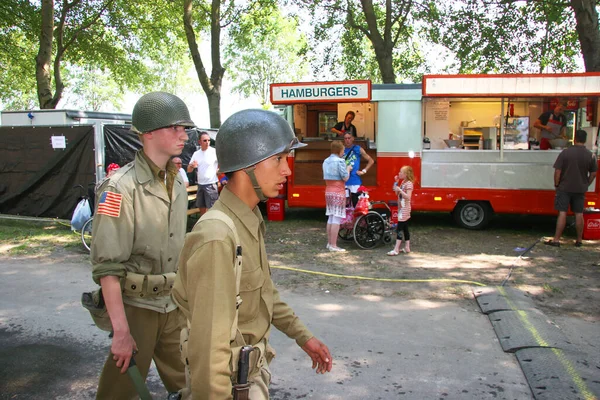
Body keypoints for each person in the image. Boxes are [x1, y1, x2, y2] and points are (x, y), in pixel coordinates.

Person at [172, 109, 333, 399]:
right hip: (228, 386)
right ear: (247, 165)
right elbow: (208, 349)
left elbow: (263, 293)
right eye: (278, 159)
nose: (287, 169)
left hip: (249, 375)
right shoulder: (217, 236)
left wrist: (303, 336)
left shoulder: (248, 218)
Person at [90, 92, 193, 399]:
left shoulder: (177, 184)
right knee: (119, 393)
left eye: (185, 128)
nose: (184, 135)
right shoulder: (120, 188)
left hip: (173, 306)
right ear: (148, 133)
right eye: (175, 128)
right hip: (137, 310)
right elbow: (108, 267)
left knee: (193, 385)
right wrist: (121, 331)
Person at [544, 129, 597, 248]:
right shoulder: (591, 155)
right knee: (579, 213)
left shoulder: (565, 153)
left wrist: (557, 184)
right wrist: (586, 184)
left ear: (575, 138)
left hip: (564, 187)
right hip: (580, 189)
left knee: (562, 213)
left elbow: (558, 171)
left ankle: (556, 240)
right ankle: (579, 240)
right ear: (585, 140)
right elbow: (593, 174)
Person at [323, 140, 352, 252]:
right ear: (339, 150)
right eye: (343, 150)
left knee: (330, 217)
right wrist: (348, 169)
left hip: (328, 190)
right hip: (338, 191)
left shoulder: (325, 161)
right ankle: (334, 245)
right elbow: (345, 178)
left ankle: (329, 243)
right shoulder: (340, 161)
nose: (343, 152)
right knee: (336, 217)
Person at [187, 131, 219, 215]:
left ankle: (213, 226)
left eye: (209, 140)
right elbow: (189, 170)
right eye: (205, 140)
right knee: (201, 207)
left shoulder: (214, 151)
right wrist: (192, 166)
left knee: (212, 209)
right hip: (200, 185)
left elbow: (224, 164)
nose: (207, 142)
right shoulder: (196, 154)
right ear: (199, 142)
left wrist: (218, 172)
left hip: (211, 184)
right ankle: (204, 225)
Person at [387, 166, 415, 255]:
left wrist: (400, 190)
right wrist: (396, 182)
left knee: (399, 228)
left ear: (406, 174)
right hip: (401, 208)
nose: (399, 173)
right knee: (405, 228)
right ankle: (407, 247)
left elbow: (408, 197)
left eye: (401, 172)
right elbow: (395, 192)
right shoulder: (403, 182)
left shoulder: (409, 184)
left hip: (405, 209)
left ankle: (396, 249)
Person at [343, 132, 374, 206]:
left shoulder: (358, 149)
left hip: (355, 180)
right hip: (344, 180)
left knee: (356, 204)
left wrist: (364, 171)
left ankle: (357, 218)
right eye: (345, 138)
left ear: (353, 138)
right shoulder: (342, 149)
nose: (347, 140)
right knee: (346, 205)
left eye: (349, 138)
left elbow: (371, 160)